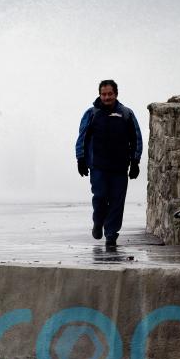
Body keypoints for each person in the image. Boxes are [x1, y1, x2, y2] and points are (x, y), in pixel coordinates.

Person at [75, 80, 143, 250]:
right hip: (98, 167)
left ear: (116, 94)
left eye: (110, 94)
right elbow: (81, 138)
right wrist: (80, 159)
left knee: (117, 202)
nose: (107, 97)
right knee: (99, 198)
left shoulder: (127, 114)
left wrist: (135, 162)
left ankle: (111, 235)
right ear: (100, 95)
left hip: (120, 168)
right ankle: (98, 223)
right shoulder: (91, 114)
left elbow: (137, 138)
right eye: (104, 94)